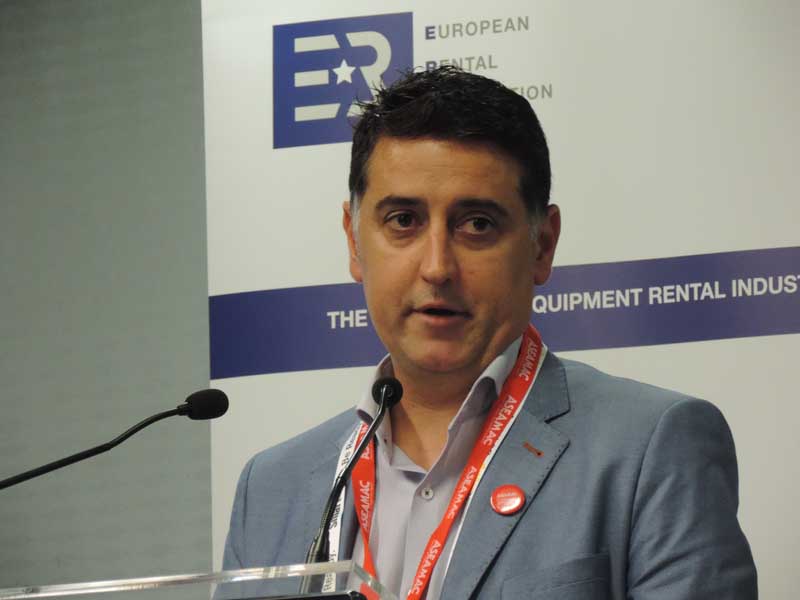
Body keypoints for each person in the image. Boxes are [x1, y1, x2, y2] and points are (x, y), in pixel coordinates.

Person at [221, 66, 757, 599]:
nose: (437, 267)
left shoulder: (651, 449)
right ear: (354, 241)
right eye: (403, 220)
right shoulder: (269, 489)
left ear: (542, 245)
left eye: (476, 223)